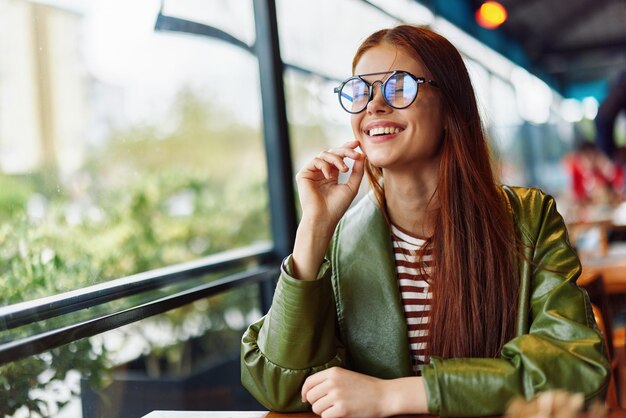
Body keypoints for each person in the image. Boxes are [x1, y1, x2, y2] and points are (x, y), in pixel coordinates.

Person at [241, 25, 610, 417]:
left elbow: (576, 368)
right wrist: (312, 229)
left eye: (399, 87)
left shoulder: (529, 219)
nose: (374, 106)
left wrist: (394, 396)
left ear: (450, 106)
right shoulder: (337, 239)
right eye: (361, 90)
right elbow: (278, 386)